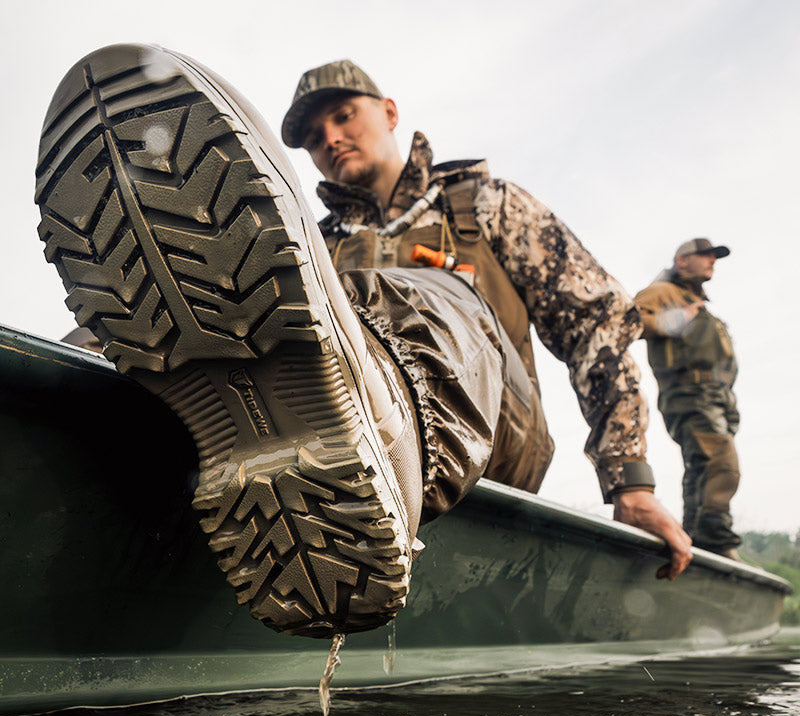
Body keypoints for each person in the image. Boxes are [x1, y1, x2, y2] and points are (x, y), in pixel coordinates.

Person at [35, 45, 690, 640]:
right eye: (315, 138)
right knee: (148, 322)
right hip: (312, 405)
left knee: (441, 295)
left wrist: (628, 480)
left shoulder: (482, 206)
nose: (330, 140)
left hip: (486, 438)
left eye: (344, 117)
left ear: (389, 111)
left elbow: (598, 325)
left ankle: (376, 427)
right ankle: (96, 430)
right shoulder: (309, 243)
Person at [635, 239, 741, 559]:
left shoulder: (695, 301)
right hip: (689, 393)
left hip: (715, 397)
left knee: (703, 466)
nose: (712, 261)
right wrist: (678, 319)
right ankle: (714, 539)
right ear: (682, 261)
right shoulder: (664, 292)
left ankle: (696, 536)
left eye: (715, 257)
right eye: (705, 255)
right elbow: (629, 318)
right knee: (720, 460)